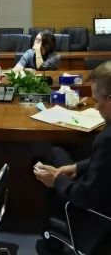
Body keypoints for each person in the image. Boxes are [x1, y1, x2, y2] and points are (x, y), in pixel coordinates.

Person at [33, 60, 111, 254]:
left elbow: (85, 196)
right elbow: (105, 163)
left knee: (53, 183)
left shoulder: (107, 139)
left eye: (97, 101)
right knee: (56, 155)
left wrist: (56, 180)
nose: (96, 107)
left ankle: (51, 245)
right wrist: (76, 168)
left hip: (100, 216)